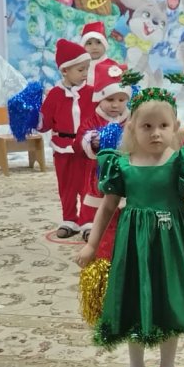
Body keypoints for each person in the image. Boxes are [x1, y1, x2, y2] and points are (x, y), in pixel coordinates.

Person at [75, 86, 184, 367]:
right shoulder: (122, 164)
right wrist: (91, 246)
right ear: (132, 127)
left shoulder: (182, 162)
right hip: (134, 245)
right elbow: (106, 207)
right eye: (147, 126)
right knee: (135, 301)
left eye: (163, 126)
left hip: (173, 245)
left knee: (169, 303)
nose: (156, 133)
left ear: (175, 127)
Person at [41, 39, 93, 238]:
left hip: (86, 148)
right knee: (67, 185)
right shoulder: (54, 94)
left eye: (87, 68)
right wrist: (30, 117)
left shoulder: (91, 93)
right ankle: (69, 219)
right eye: (80, 69)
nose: (85, 73)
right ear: (64, 70)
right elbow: (44, 124)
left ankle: (88, 222)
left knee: (87, 185)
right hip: (62, 148)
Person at [76, 60, 130, 241]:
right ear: (100, 98)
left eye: (121, 100)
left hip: (124, 168)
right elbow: (81, 136)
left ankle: (121, 224)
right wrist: (92, 140)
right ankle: (90, 225)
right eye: (110, 99)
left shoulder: (130, 119)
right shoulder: (93, 119)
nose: (115, 105)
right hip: (98, 170)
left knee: (122, 195)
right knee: (96, 193)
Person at [81, 21, 115, 85]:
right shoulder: (78, 67)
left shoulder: (111, 66)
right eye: (89, 43)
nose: (94, 47)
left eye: (98, 42)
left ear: (105, 44)